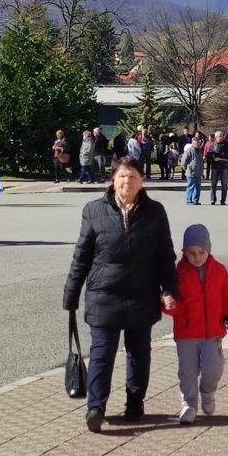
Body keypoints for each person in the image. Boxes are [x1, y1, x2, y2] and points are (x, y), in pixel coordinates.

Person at [62, 157, 179, 433]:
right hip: (104, 295)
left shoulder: (155, 212)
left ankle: (135, 402)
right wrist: (71, 292)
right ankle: (96, 407)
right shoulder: (94, 210)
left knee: (139, 353)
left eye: (134, 176)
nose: (128, 181)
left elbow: (165, 256)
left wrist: (170, 289)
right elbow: (82, 256)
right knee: (101, 354)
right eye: (123, 176)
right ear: (113, 179)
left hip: (142, 294)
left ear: (142, 181)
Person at [162, 224, 228, 424]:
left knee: (214, 367)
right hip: (187, 332)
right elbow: (173, 303)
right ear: (184, 252)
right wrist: (168, 303)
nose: (196, 257)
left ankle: (208, 391)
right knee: (188, 370)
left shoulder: (219, 271)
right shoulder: (178, 274)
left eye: (201, 252)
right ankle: (189, 404)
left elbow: (226, 296)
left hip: (213, 331)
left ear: (209, 250)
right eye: (191, 253)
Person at [207, 131, 228, 206]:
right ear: (216, 137)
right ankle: (213, 199)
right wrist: (213, 158)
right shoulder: (212, 145)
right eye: (219, 136)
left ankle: (223, 200)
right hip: (215, 167)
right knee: (213, 184)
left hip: (224, 167)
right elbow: (208, 155)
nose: (221, 137)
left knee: (224, 185)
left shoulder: (226, 145)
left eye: (222, 136)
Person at [182, 137, 203, 204]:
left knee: (197, 187)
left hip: (198, 172)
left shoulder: (199, 151)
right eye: (196, 143)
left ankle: (196, 200)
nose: (198, 144)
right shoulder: (189, 151)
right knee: (191, 186)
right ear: (193, 143)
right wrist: (186, 169)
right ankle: (189, 200)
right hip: (191, 172)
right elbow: (183, 161)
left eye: (198, 143)